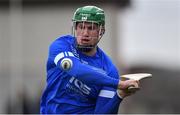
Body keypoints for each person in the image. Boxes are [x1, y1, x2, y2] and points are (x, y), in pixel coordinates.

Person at [40, 5, 139, 114]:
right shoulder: (61, 45)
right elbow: (76, 70)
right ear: (75, 28)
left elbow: (101, 113)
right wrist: (119, 84)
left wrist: (120, 95)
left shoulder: (109, 70)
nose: (85, 33)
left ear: (101, 31)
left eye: (91, 28)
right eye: (81, 27)